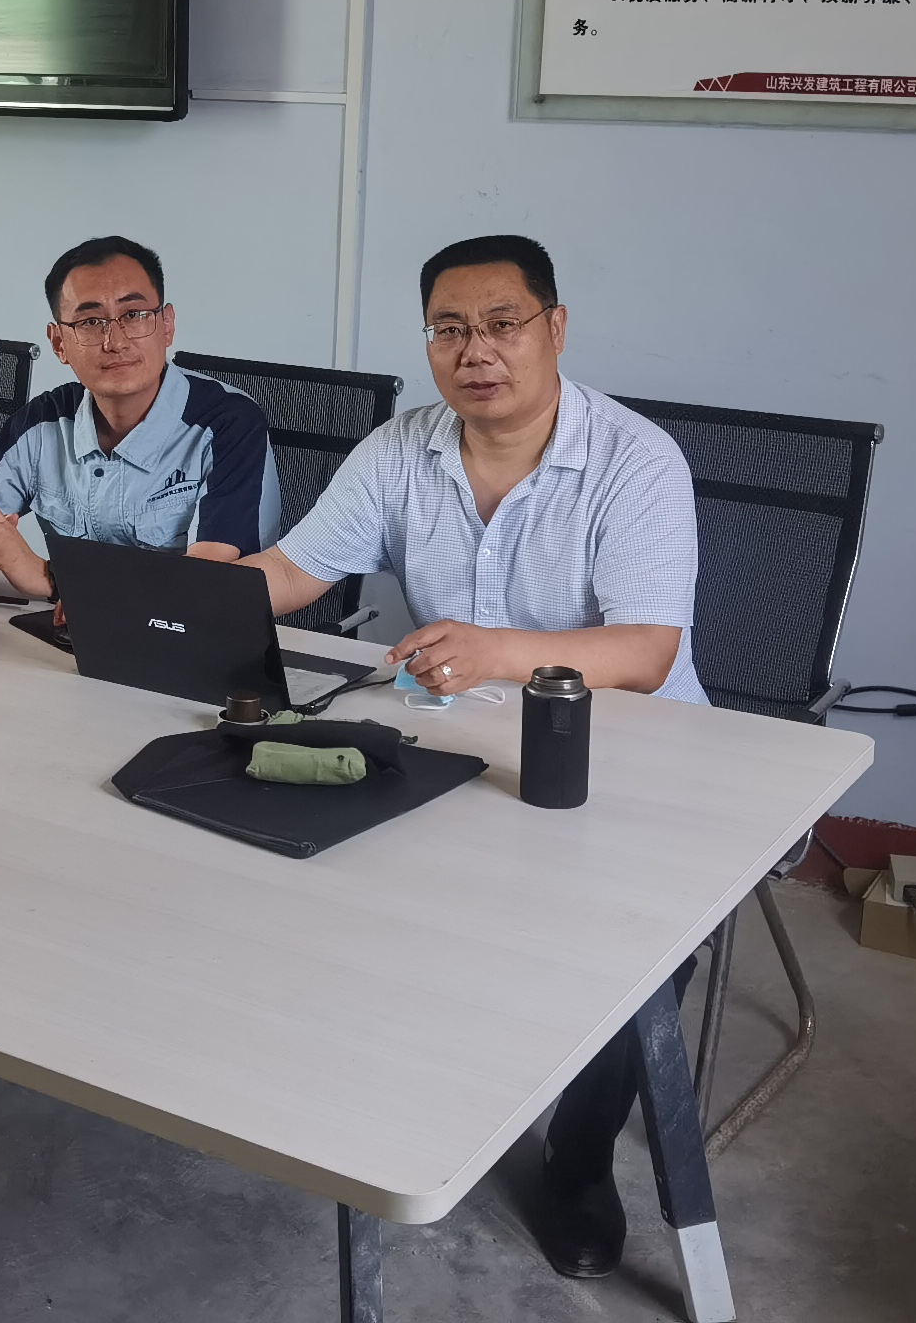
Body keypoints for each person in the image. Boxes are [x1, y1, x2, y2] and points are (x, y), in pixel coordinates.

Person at [232, 234, 701, 1282]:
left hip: (628, 753)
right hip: (455, 737)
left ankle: (579, 1157)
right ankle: (381, 1082)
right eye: (449, 329)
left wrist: (496, 651)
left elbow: (645, 652)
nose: (475, 350)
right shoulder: (401, 448)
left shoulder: (634, 460)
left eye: (501, 324)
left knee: (643, 949)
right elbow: (295, 571)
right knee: (303, 848)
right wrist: (177, 596)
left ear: (554, 328)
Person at [0, 235, 278, 599]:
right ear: (59, 343)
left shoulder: (228, 424)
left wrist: (48, 578)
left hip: (189, 630)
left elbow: (205, 582)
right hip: (71, 626)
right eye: (90, 321)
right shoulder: (44, 421)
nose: (115, 342)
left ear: (167, 325)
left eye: (134, 315)